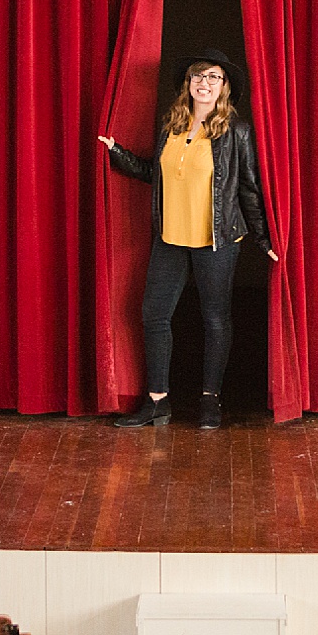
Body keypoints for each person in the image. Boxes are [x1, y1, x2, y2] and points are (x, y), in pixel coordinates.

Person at [98, 48, 277, 430]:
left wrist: (264, 238)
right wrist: (117, 153)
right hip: (170, 238)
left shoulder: (236, 131)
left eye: (214, 77)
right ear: (188, 84)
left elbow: (249, 188)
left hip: (217, 240)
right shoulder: (171, 126)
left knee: (215, 319)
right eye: (199, 76)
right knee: (154, 316)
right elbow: (155, 174)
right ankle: (157, 401)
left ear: (224, 87)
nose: (205, 83)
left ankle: (210, 399)